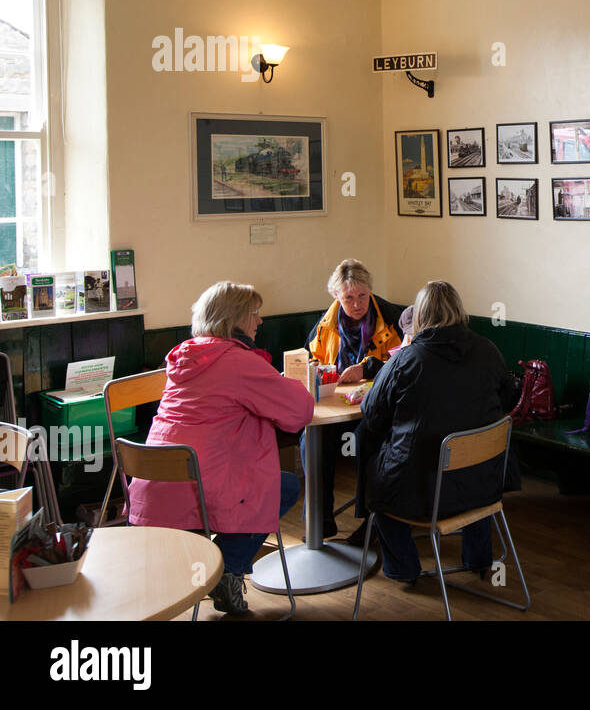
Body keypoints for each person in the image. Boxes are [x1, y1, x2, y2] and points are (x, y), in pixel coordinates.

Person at [128, 281, 313, 614]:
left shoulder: (186, 356)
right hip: (200, 487)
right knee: (284, 486)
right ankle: (226, 568)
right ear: (236, 319)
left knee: (250, 481)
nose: (259, 322)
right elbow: (300, 411)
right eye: (254, 314)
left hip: (151, 489)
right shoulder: (239, 362)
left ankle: (210, 567)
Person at [356, 281, 513, 582]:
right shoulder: (488, 350)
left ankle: (404, 570)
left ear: (420, 316)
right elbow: (505, 401)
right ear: (458, 309)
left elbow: (372, 416)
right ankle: (478, 559)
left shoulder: (406, 359)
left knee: (379, 488)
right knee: (468, 461)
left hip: (422, 491)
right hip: (486, 482)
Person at [304, 259, 405, 539]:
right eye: (349, 298)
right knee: (311, 441)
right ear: (336, 296)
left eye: (362, 296)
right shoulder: (325, 325)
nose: (357, 304)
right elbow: (310, 360)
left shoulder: (392, 317)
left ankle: (371, 523)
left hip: (380, 408)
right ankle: (320, 519)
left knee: (364, 442)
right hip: (336, 407)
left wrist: (369, 367)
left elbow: (404, 366)